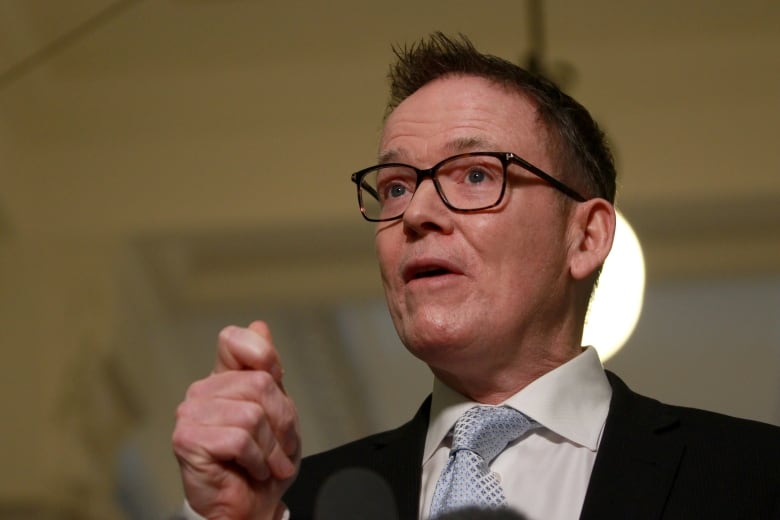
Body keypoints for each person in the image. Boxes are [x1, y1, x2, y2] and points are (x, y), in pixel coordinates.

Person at [172, 33, 780, 520]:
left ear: (586, 237)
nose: (416, 214)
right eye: (396, 186)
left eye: (475, 176)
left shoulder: (754, 476)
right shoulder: (293, 504)